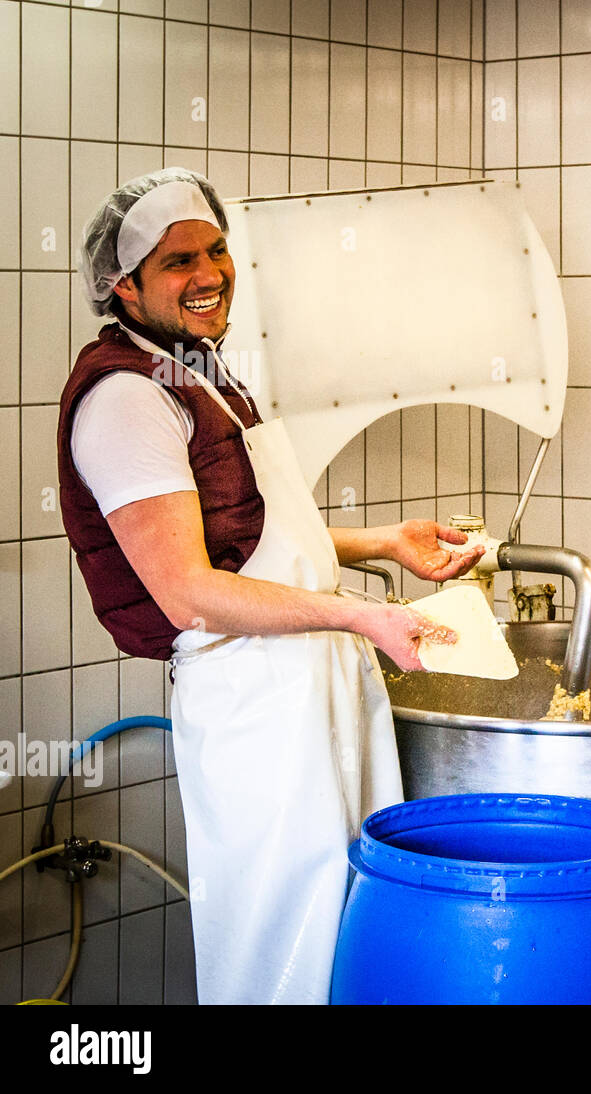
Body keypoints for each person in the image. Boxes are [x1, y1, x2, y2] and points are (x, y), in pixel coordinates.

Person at [57, 168, 485, 1004]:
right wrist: (363, 615)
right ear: (124, 284)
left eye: (216, 249)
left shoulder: (197, 368)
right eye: (179, 261)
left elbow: (252, 545)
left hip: (313, 679)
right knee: (282, 942)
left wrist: (382, 543)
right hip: (254, 700)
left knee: (350, 927)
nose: (210, 273)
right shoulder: (124, 399)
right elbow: (190, 591)